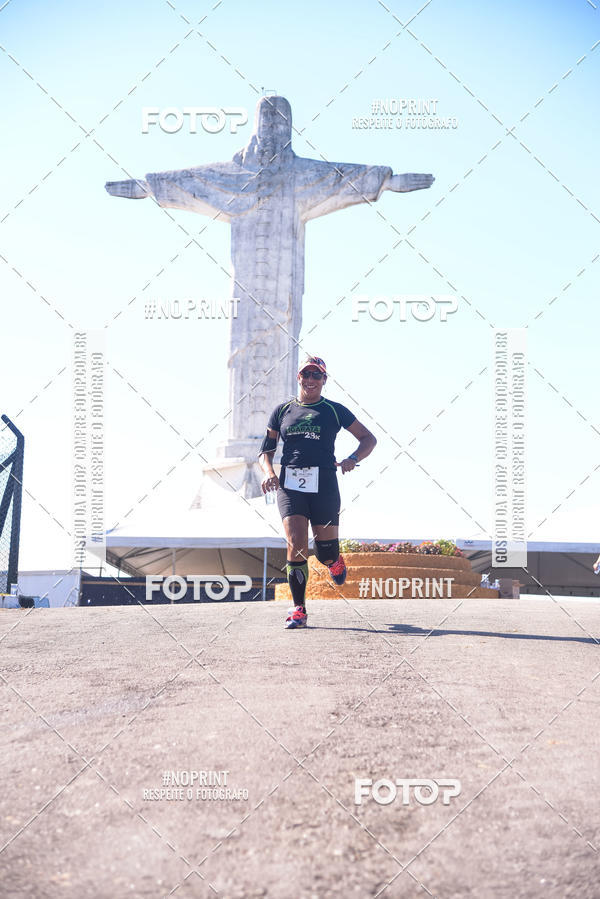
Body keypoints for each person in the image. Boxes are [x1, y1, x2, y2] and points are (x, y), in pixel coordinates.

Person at [258, 355, 377, 628]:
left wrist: (353, 459)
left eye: (316, 375)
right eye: (306, 374)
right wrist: (269, 473)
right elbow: (266, 450)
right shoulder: (282, 411)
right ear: (298, 377)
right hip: (290, 486)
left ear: (324, 380)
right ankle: (298, 609)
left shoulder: (334, 410)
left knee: (324, 553)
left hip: (324, 484)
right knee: (296, 543)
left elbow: (369, 438)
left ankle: (334, 559)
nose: (310, 380)